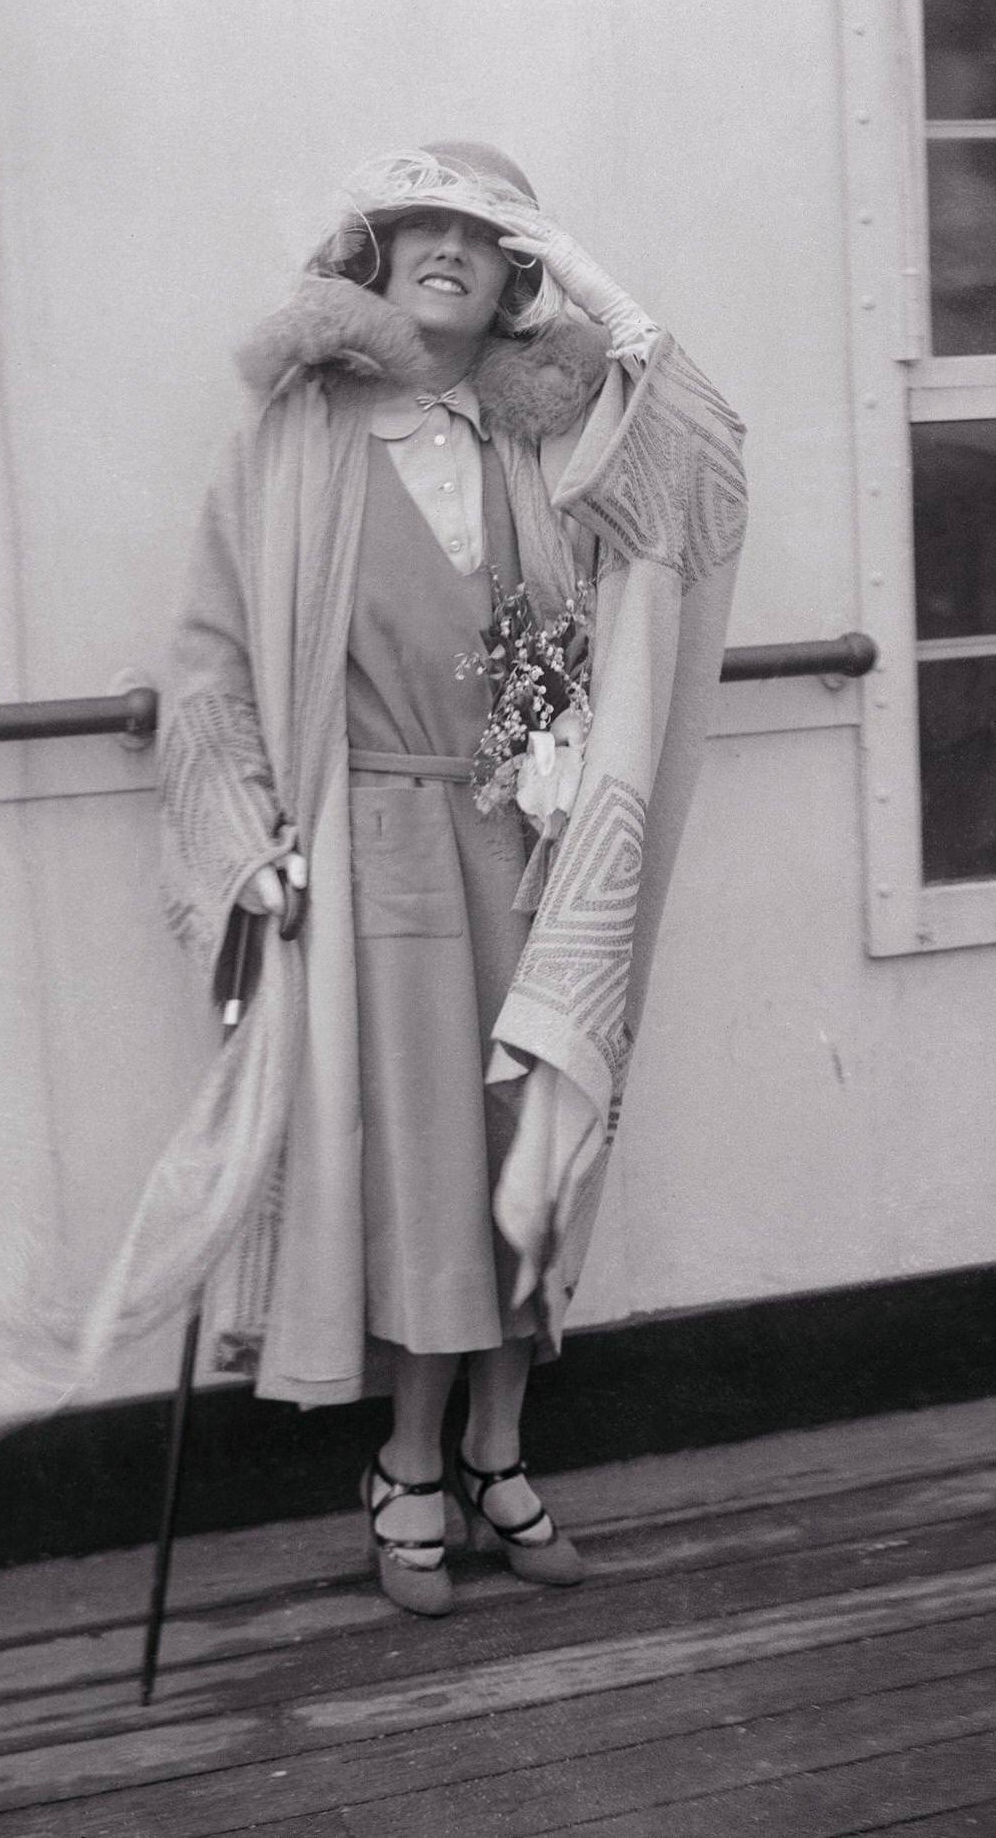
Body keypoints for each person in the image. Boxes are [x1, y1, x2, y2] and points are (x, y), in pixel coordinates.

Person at [154, 141, 747, 1616]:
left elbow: (706, 468)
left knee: (534, 1142)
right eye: (418, 224)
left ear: (518, 276)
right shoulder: (296, 441)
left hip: (539, 850)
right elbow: (209, 662)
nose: (446, 248)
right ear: (371, 254)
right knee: (426, 1165)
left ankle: (500, 1443)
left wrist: (592, 286)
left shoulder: (555, 444)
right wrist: (245, 841)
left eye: (482, 235)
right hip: (377, 861)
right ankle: (408, 1459)